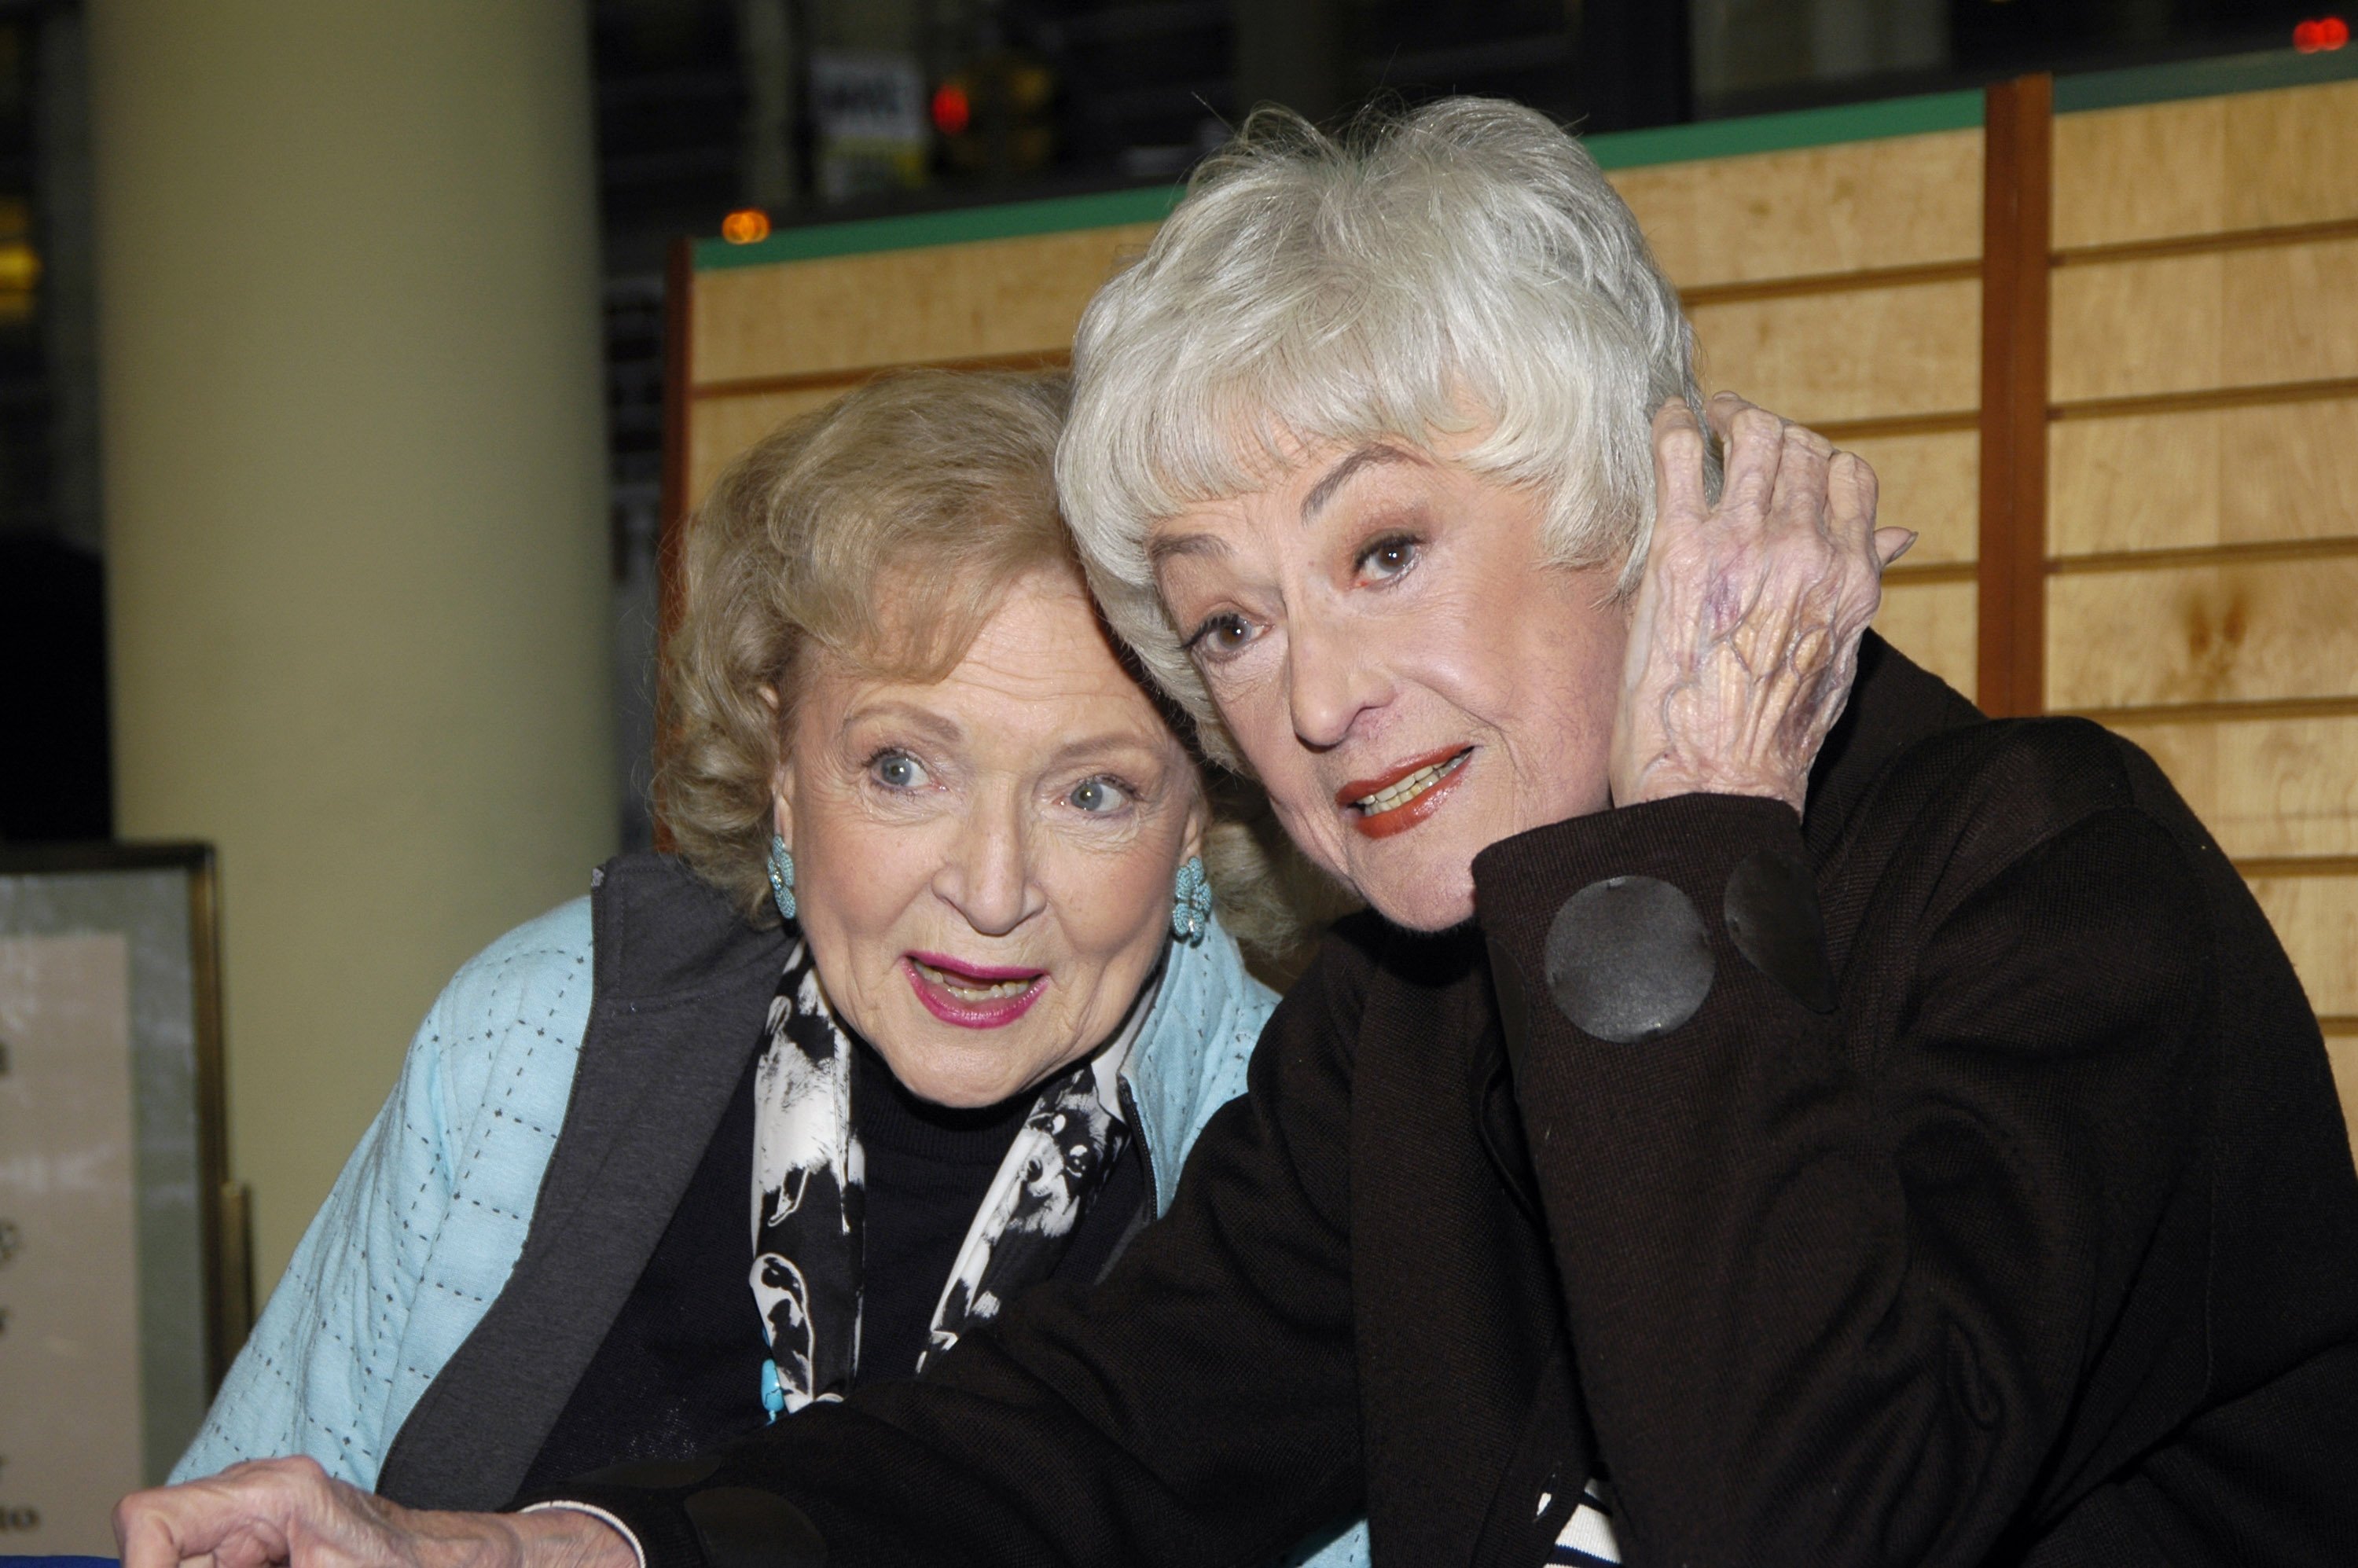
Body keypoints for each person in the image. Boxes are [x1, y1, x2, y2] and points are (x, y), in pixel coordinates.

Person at [121, 100, 2358, 1567]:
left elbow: (1800, 1523)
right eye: (1229, 621)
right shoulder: (1412, 1013)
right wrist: (545, 1545)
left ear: (1630, 508)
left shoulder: (2050, 875)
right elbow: (1095, 1441)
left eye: (1383, 548)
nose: (1309, 692)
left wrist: (1682, 848)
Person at [159, 369, 1367, 1565]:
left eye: (1093, 791)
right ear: (781, 766)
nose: (992, 891)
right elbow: (245, 1518)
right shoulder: (540, 1036)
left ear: (1200, 813)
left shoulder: (1316, 1151)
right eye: (903, 769)